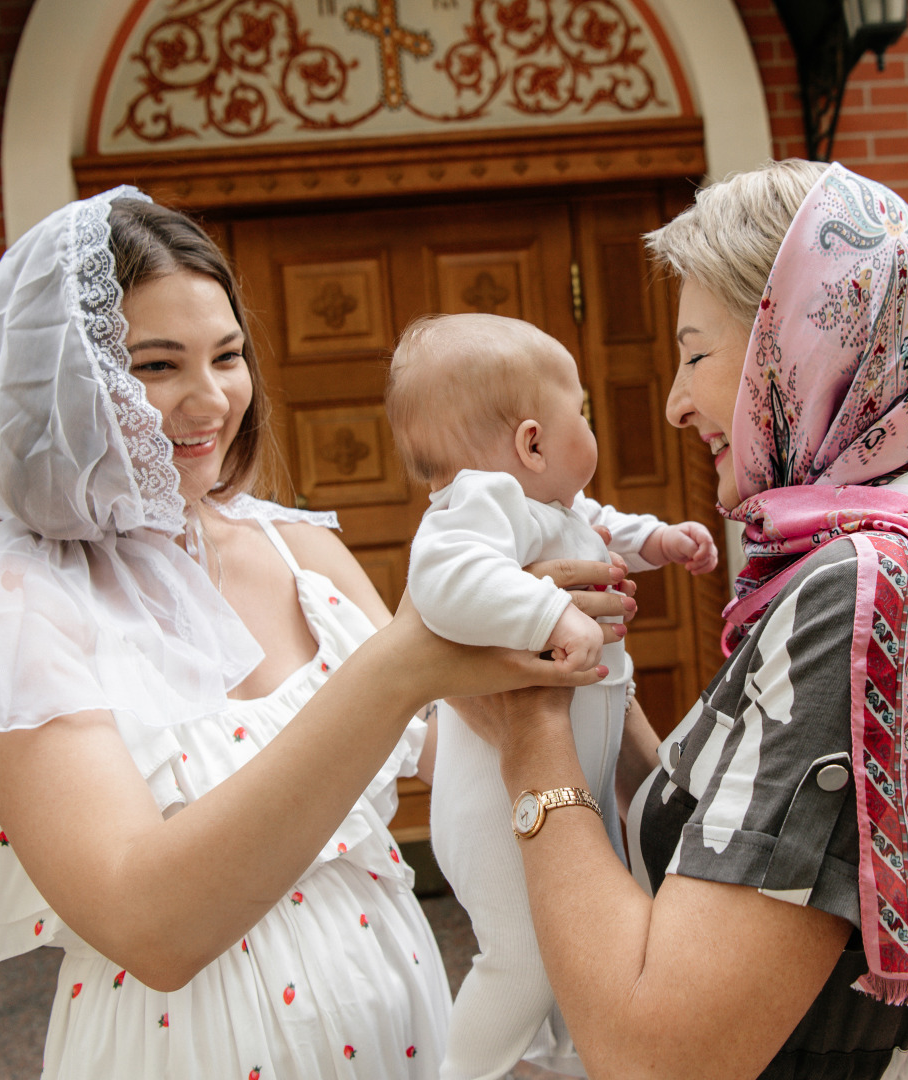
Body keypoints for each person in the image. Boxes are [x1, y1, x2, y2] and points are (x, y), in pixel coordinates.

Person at [0, 188, 621, 1080]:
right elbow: (149, 928)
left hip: (402, 1021)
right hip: (190, 1049)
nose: (210, 400)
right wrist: (400, 667)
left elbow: (466, 750)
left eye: (227, 356)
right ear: (64, 380)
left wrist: (559, 658)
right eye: (157, 366)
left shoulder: (300, 547)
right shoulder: (6, 603)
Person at [447, 161, 908, 1079]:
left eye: (697, 353)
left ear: (801, 346)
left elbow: (658, 1055)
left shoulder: (862, 591)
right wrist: (582, 674)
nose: (673, 400)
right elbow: (732, 826)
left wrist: (527, 726)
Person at [386, 313, 717, 1080]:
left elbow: (604, 529)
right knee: (526, 958)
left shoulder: (559, 510)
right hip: (496, 806)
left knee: (589, 939)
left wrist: (658, 541)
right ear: (532, 442)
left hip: (578, 782)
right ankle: (467, 1070)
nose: (589, 425)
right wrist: (548, 613)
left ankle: (562, 1059)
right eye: (583, 413)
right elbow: (443, 583)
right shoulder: (478, 504)